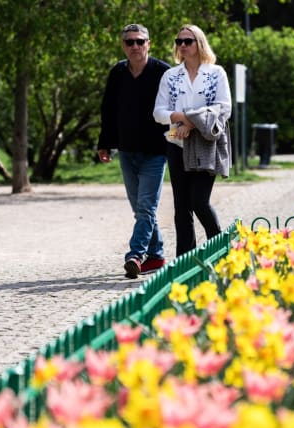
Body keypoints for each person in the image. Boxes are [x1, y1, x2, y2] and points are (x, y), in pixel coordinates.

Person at [97, 24, 171, 279]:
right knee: (140, 208)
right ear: (123, 46)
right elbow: (108, 110)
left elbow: (176, 110)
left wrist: (174, 141)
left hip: (156, 152)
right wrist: (104, 143)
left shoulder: (164, 72)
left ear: (149, 43)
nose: (135, 47)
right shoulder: (117, 72)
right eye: (129, 42)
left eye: (140, 41)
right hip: (127, 150)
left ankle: (135, 256)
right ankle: (158, 255)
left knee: (146, 207)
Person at [154, 24, 232, 257]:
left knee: (199, 201)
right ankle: (185, 260)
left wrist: (191, 123)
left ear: (199, 43)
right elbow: (158, 112)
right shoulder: (170, 76)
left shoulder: (215, 73)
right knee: (181, 207)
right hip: (176, 143)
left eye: (188, 41)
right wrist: (180, 118)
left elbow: (224, 108)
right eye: (179, 42)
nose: (183, 46)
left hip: (205, 145)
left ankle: (220, 250)